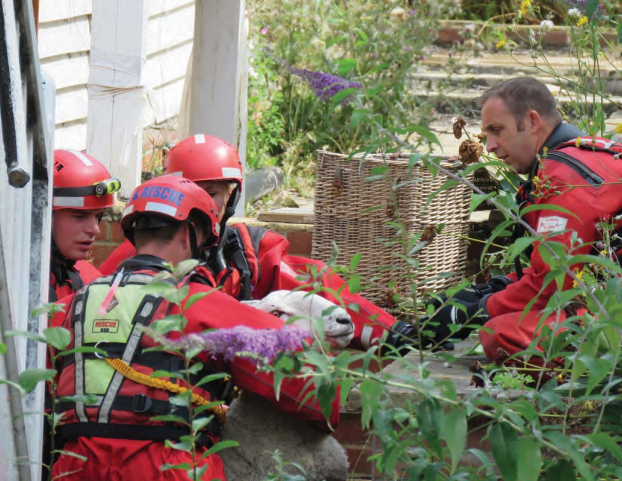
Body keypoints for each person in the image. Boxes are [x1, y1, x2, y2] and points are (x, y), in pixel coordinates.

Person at [50, 175, 339, 481]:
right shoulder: (196, 303)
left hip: (73, 466)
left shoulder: (73, 304)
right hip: (170, 467)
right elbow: (311, 388)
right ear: (189, 236)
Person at [100, 134, 449, 354]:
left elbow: (316, 287)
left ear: (232, 197)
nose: (204, 205)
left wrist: (395, 334)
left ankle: (400, 335)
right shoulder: (138, 256)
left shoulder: (245, 251)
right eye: (191, 193)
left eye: (213, 195)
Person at [430, 76, 622, 361]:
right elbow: (568, 268)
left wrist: (479, 309)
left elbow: (556, 283)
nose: (490, 145)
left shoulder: (564, 177)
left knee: (502, 333)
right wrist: (493, 289)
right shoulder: (585, 153)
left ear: (532, 122)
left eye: (497, 130)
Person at [50, 149, 120, 302]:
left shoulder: (91, 280)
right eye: (80, 216)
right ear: (45, 216)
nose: (95, 230)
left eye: (98, 216)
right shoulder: (12, 284)